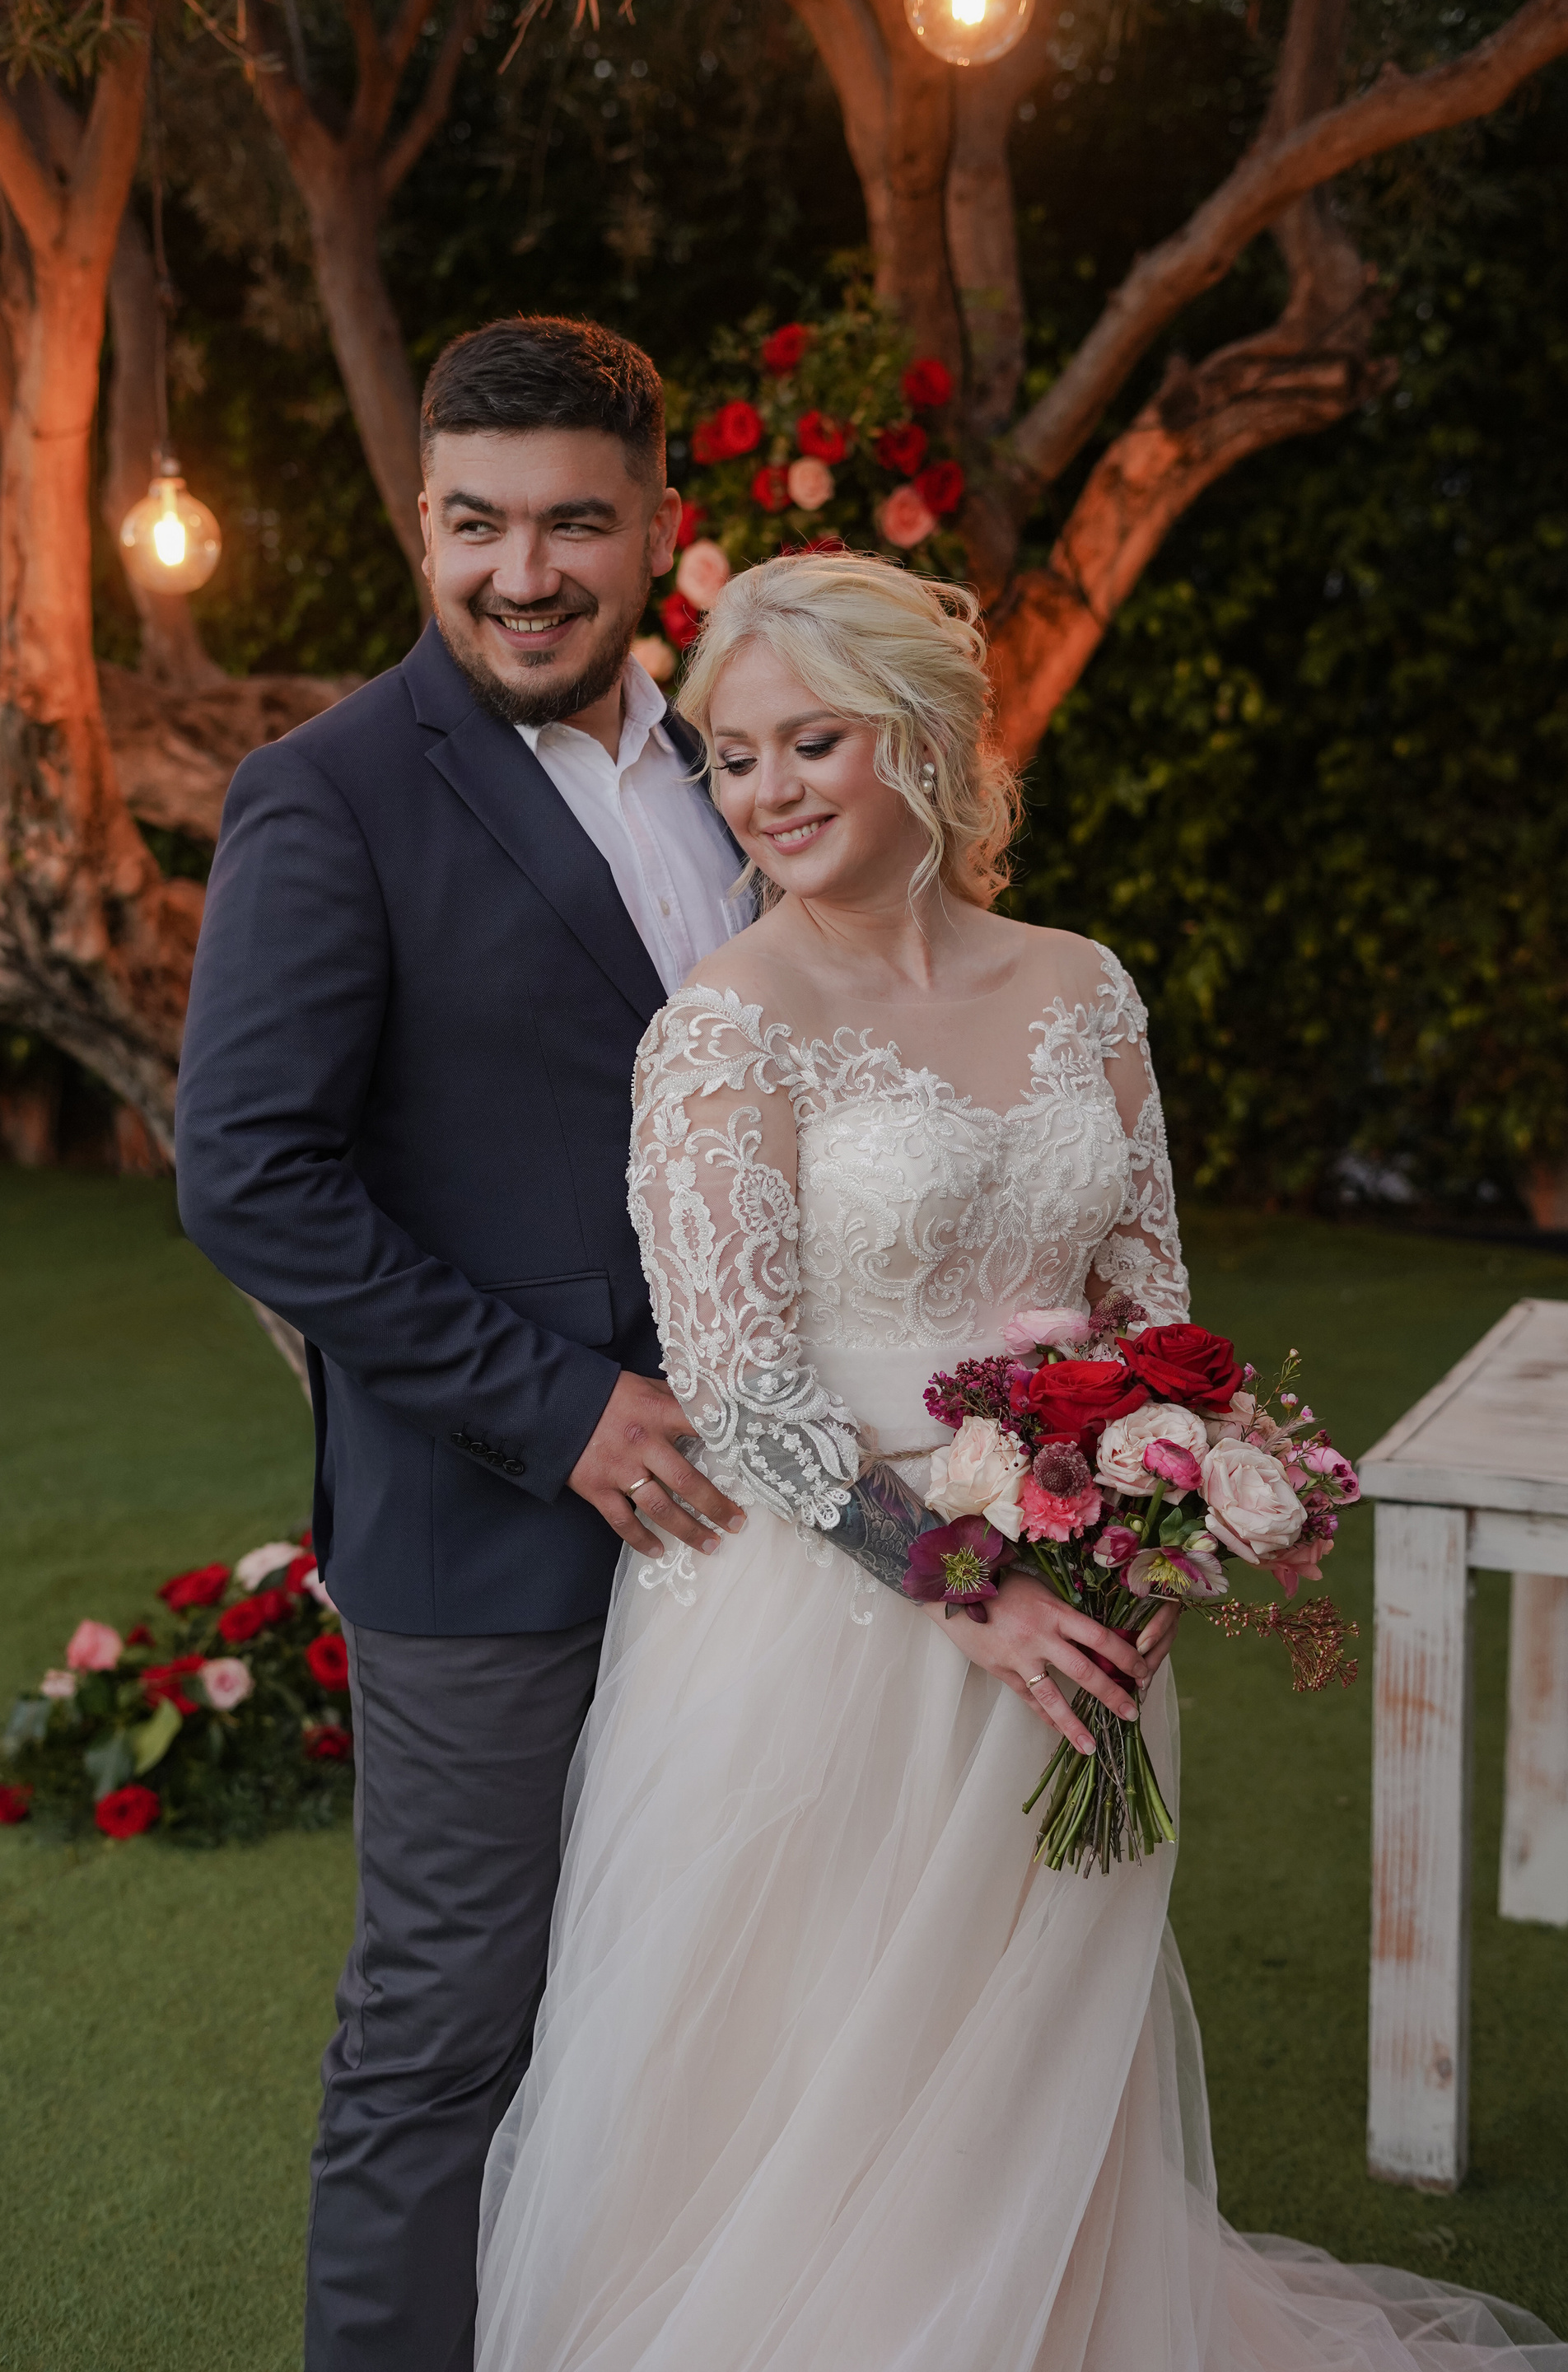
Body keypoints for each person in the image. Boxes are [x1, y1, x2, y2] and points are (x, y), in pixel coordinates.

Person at [474, 553, 1567, 2371]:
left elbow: (1152, 1309)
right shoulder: (725, 1026)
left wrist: (1163, 1518)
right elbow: (742, 1390)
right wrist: (968, 1589)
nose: (768, 792)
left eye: (811, 742)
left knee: (1040, 2036)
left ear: (919, 737)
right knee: (840, 2050)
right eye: (733, 758)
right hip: (829, 1628)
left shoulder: (1084, 987)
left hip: (1085, 1593)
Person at [174, 316, 753, 2372]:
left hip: (763, 1523)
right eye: (479, 525)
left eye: (574, 524)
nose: (525, 574)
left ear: (657, 526)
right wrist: (558, 1404)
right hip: (491, 1530)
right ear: (423, 526)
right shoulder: (326, 795)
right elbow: (250, 1176)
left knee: (698, 2002)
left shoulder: (740, 767)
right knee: (444, 2031)